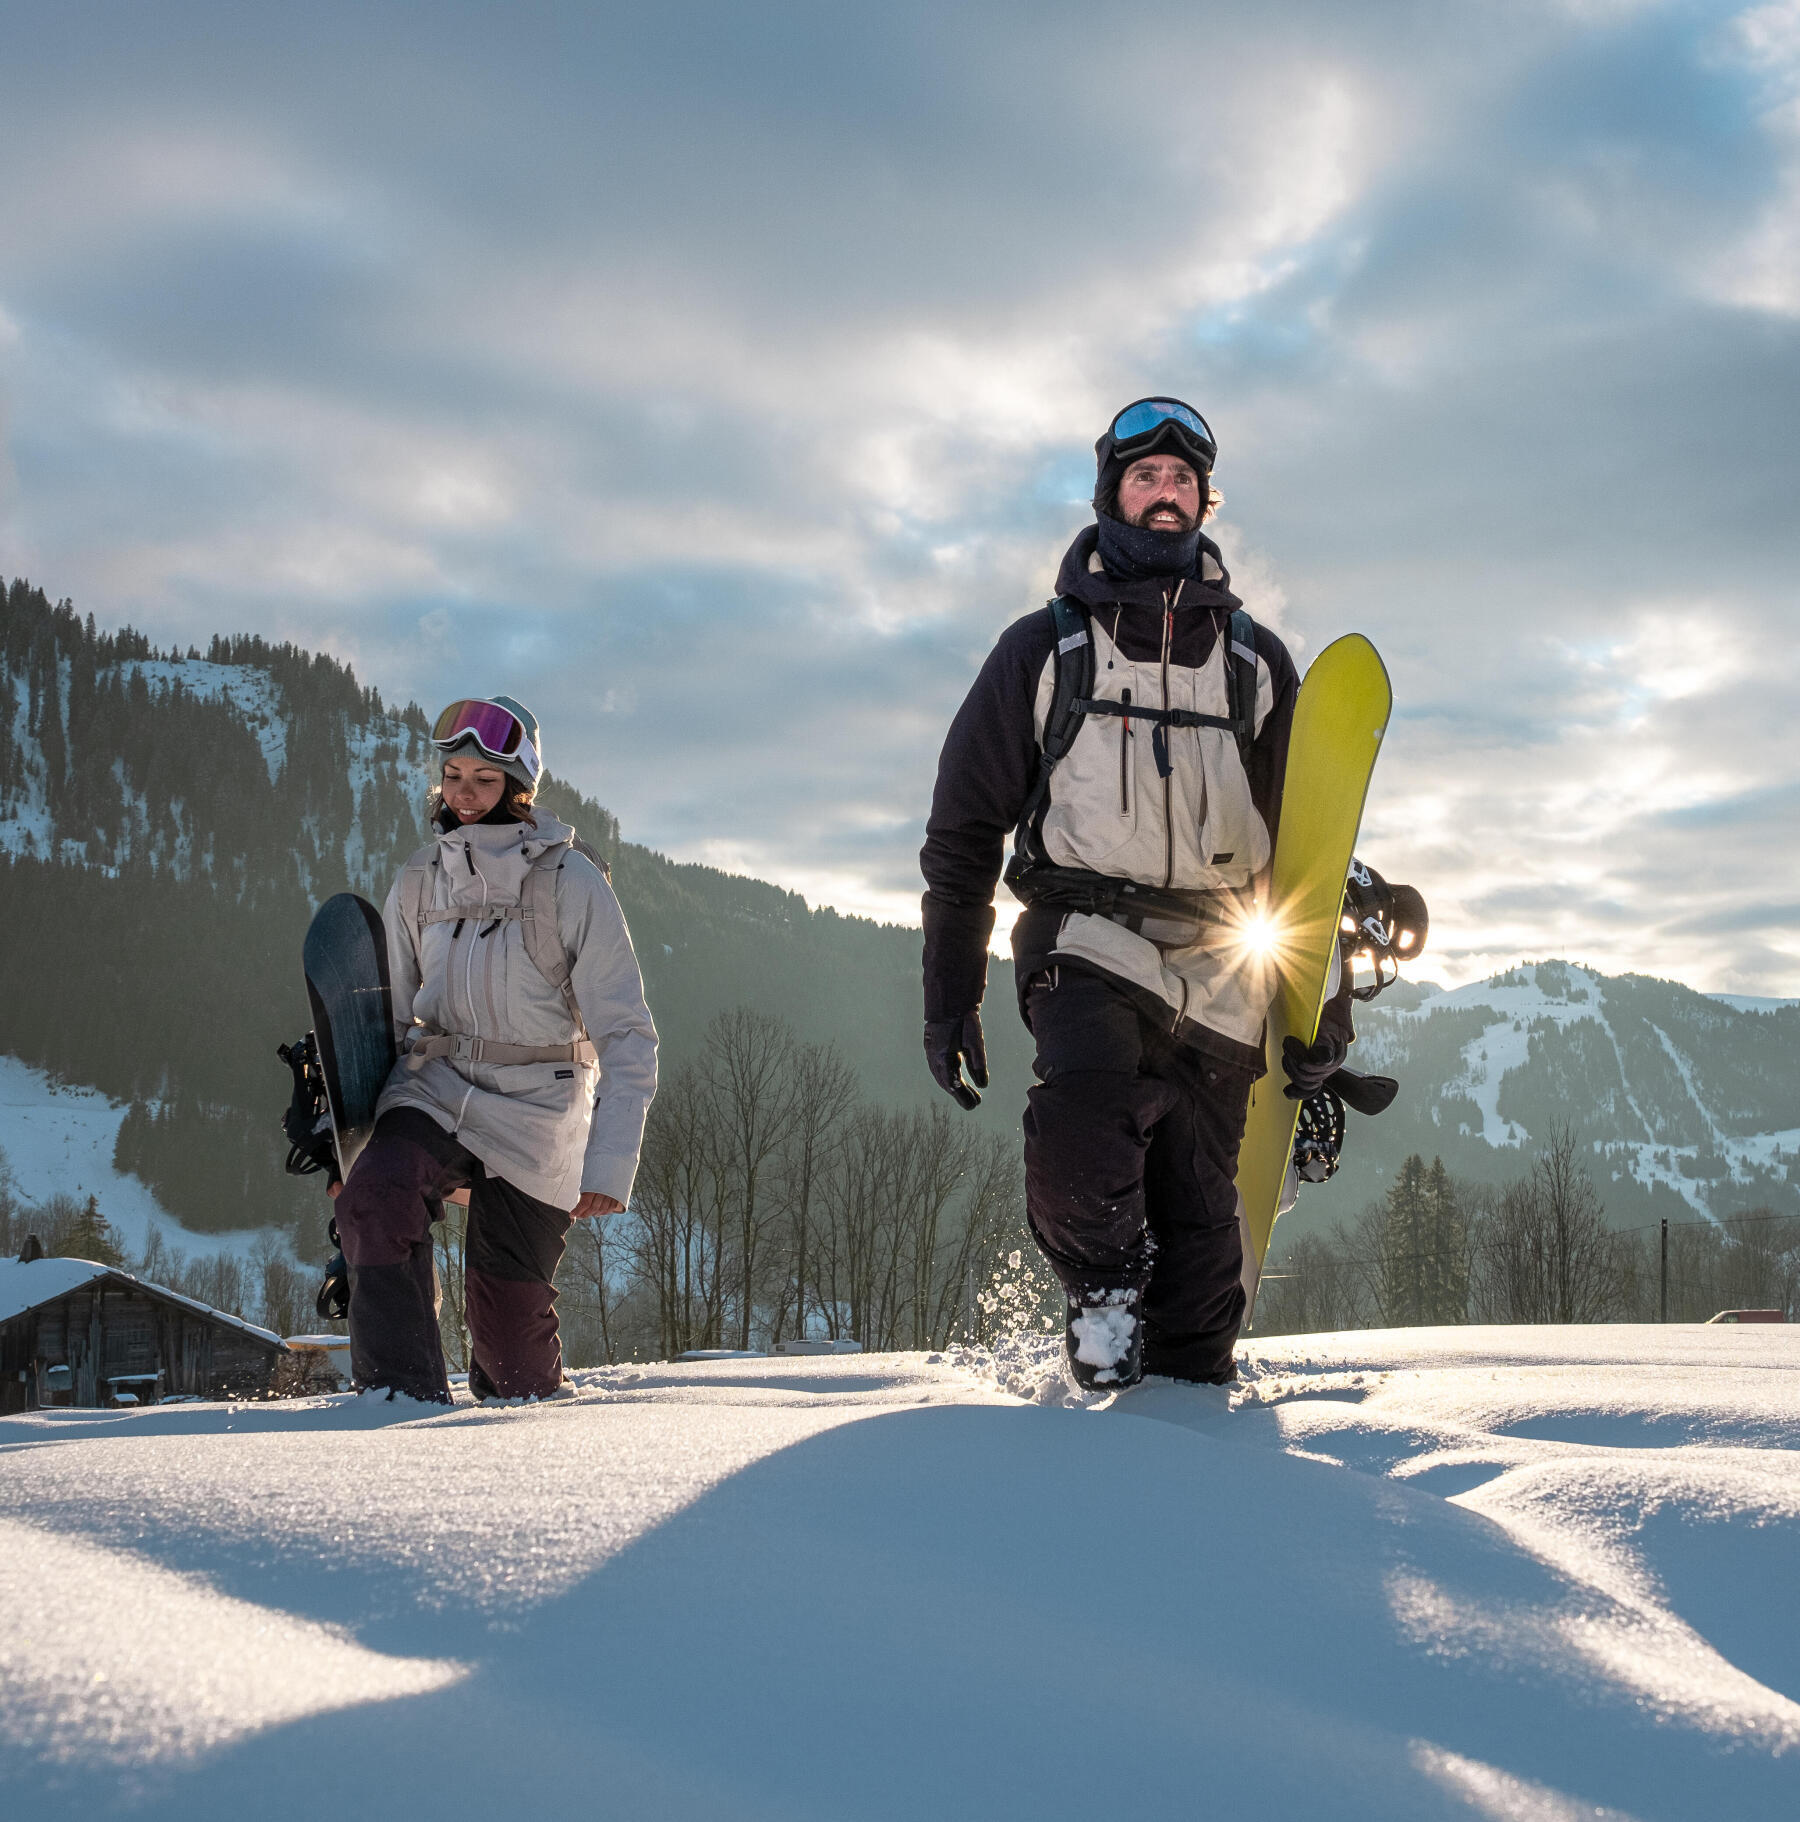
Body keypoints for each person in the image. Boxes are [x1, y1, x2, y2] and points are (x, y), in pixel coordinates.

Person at [919, 398, 1350, 1391]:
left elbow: (1309, 865)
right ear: (1111, 492)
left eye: (1183, 480)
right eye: (1145, 476)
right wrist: (949, 1001)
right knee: (1085, 1115)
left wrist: (1324, 1020)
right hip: (1087, 937)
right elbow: (962, 839)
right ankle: (1104, 1307)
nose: (1166, 494)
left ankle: (1184, 1416)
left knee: (1204, 1268)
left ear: (1206, 500)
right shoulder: (1043, 651)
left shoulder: (1256, 665)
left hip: (1224, 958)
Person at [331, 695, 658, 1403]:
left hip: (541, 1110)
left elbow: (627, 1034)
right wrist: (352, 1152)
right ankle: (396, 1398)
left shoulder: (572, 883)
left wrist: (611, 1162)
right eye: (453, 777)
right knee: (374, 1200)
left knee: (516, 1367)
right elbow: (383, 1021)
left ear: (519, 788)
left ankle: (519, 1407)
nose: (465, 795)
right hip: (436, 1085)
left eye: (484, 779)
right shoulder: (421, 879)